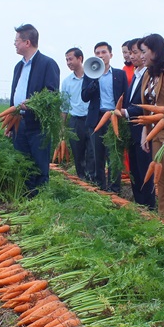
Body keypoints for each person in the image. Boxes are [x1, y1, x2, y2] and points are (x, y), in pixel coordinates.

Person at [9, 24, 60, 194]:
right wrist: (9, 122)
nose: (14, 44)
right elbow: (14, 93)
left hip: (37, 124)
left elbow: (52, 95)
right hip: (18, 122)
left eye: (17, 40)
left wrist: (33, 103)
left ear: (27, 42)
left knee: (39, 165)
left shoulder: (47, 64)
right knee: (23, 164)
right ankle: (26, 198)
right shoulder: (18, 66)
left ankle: (41, 202)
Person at [138, 34, 164, 220]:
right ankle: (162, 216)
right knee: (159, 177)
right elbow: (147, 104)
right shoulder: (148, 74)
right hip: (154, 132)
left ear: (155, 51)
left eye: (144, 51)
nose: (141, 56)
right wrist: (144, 131)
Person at [82, 42, 126, 192]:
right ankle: (100, 188)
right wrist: (93, 83)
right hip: (97, 119)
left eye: (103, 52)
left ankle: (115, 189)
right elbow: (84, 97)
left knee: (113, 155)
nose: (100, 56)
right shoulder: (89, 74)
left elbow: (124, 97)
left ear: (110, 55)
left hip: (114, 118)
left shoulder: (119, 74)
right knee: (97, 156)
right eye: (97, 53)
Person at [119, 38, 155, 209]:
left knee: (145, 170)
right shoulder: (135, 75)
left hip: (144, 129)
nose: (131, 56)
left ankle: (149, 207)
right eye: (130, 52)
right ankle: (140, 205)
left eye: (135, 52)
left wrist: (126, 112)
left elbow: (148, 104)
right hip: (131, 130)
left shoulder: (149, 75)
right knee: (134, 171)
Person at [61, 47, 94, 181]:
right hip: (75, 121)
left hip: (91, 120)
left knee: (92, 153)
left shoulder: (92, 77)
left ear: (80, 59)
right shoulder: (67, 82)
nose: (68, 62)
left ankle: (93, 181)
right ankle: (82, 179)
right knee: (78, 153)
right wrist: (62, 127)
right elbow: (64, 106)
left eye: (71, 59)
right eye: (66, 60)